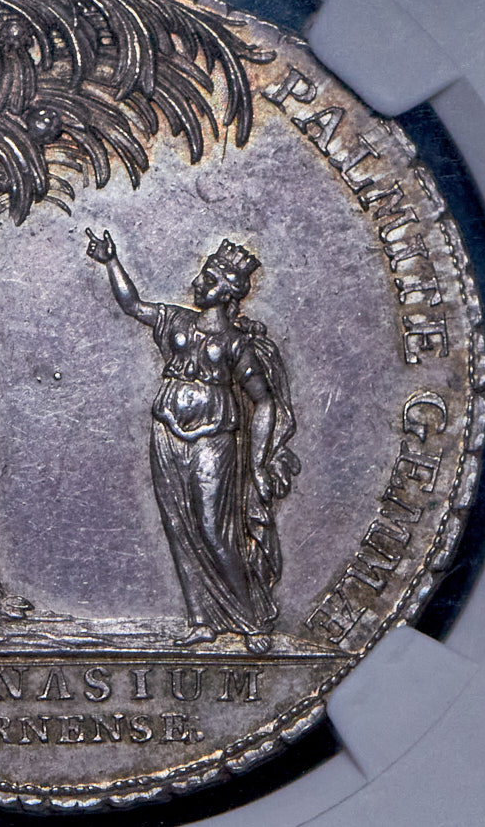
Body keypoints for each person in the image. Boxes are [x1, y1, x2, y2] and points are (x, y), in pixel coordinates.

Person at [85, 229, 299, 654]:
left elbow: (264, 401)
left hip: (214, 436)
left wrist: (258, 462)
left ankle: (250, 621)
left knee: (213, 529)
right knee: (177, 525)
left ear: (229, 292)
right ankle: (201, 620)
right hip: (166, 430)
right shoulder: (177, 321)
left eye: (211, 280)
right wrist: (111, 262)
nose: (199, 283)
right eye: (204, 274)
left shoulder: (235, 344)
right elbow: (133, 305)